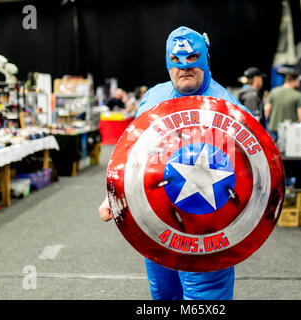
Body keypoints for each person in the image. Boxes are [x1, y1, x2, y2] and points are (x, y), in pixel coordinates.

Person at [99, 26, 252, 300]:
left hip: (208, 224)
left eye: (193, 59)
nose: (185, 68)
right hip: (157, 221)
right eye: (177, 61)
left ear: (205, 59)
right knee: (164, 295)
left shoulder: (228, 109)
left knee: (205, 297)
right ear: (168, 63)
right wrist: (111, 195)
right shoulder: (153, 99)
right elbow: (132, 156)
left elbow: (253, 171)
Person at [264, 71, 301, 142]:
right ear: (293, 80)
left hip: (273, 129)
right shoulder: (298, 95)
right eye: (298, 81)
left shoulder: (273, 92)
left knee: (274, 152)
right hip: (290, 131)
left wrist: (272, 121)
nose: (299, 83)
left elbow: (267, 111)